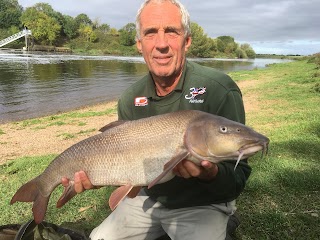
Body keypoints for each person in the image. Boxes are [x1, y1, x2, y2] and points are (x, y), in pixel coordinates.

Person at [62, 0, 251, 239]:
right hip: (149, 198)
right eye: (151, 33)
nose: (161, 44)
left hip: (203, 203)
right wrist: (100, 175)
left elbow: (238, 179)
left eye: (171, 31)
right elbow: (130, 171)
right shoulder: (131, 98)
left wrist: (209, 174)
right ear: (140, 45)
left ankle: (225, 219)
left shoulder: (220, 89)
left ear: (187, 41)